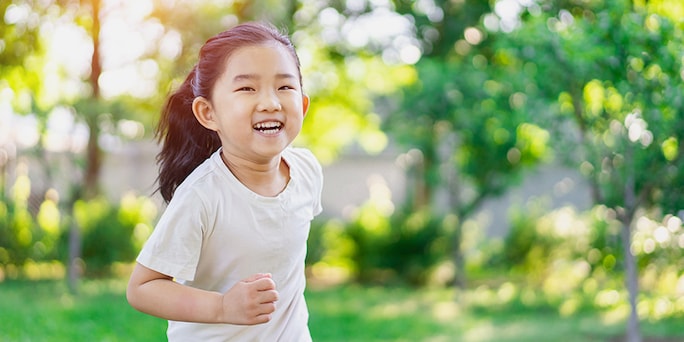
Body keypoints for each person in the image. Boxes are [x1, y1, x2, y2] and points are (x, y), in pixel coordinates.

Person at [126, 22, 323, 341]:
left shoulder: (307, 171)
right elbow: (142, 288)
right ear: (208, 113)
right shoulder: (202, 195)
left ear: (302, 104)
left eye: (285, 87)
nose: (271, 102)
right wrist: (222, 308)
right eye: (247, 88)